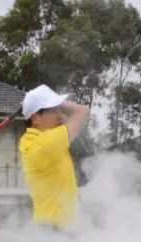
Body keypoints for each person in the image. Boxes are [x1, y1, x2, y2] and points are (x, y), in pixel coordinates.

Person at [18, 84, 90, 229]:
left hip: (54, 229)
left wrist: (43, 103)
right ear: (35, 118)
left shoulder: (33, 141)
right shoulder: (44, 144)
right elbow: (83, 111)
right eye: (54, 110)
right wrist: (62, 102)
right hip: (53, 230)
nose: (61, 115)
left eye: (60, 110)